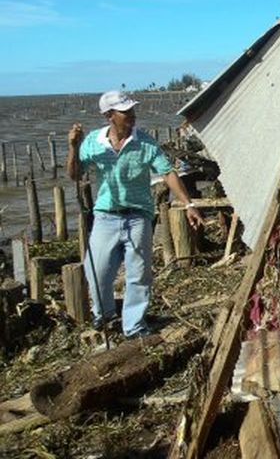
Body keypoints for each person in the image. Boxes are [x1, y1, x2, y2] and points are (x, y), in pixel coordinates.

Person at [67, 90, 203, 338]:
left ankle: (134, 326)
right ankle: (105, 315)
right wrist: (73, 147)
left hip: (138, 216)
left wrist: (188, 204)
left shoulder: (145, 142)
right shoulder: (94, 143)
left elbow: (168, 172)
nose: (132, 115)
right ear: (109, 115)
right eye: (125, 112)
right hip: (106, 216)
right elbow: (75, 174)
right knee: (96, 272)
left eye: (132, 110)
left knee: (138, 273)